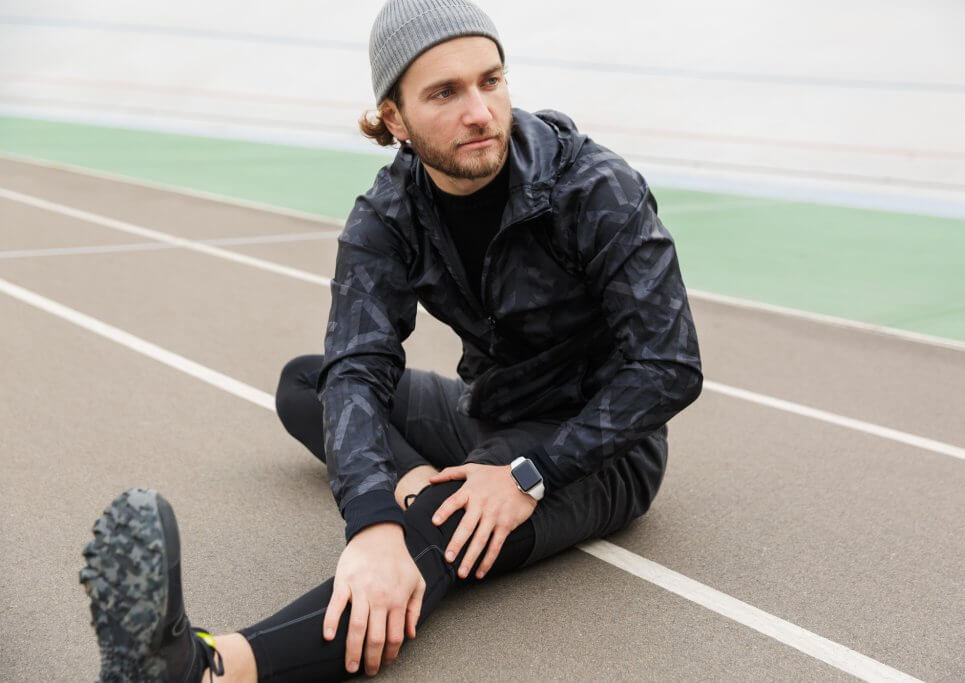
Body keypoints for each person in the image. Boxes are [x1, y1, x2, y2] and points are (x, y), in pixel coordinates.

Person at [79, 1, 703, 680]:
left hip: (594, 444)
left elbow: (668, 365)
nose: (480, 112)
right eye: (445, 92)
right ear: (395, 118)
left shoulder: (592, 187)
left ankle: (209, 667)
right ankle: (413, 485)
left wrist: (530, 475)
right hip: (488, 405)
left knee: (442, 522)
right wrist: (376, 511)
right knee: (309, 382)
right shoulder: (387, 214)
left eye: (490, 81)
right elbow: (354, 370)